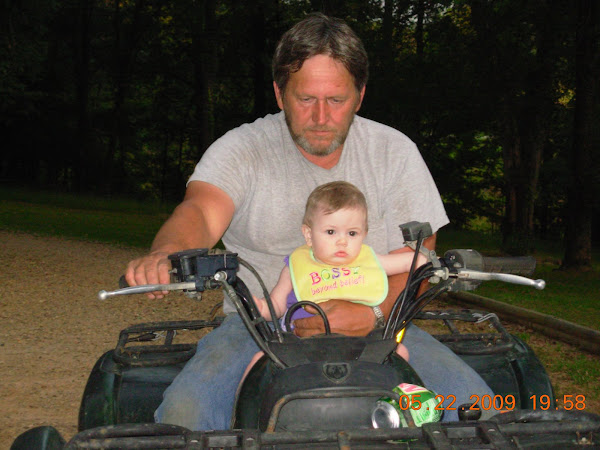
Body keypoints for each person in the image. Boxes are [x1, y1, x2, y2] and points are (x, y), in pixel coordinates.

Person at [125, 13, 495, 430]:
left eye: (336, 100)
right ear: (280, 94)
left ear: (360, 95)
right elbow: (199, 211)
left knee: (480, 410)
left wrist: (373, 315)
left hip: (385, 324)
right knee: (186, 415)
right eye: (305, 99)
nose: (321, 116)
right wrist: (166, 251)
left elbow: (416, 259)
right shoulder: (243, 149)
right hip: (257, 324)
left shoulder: (395, 152)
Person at [251, 181, 424, 360]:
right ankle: (247, 389)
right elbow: (277, 305)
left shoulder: (370, 261)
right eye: (331, 232)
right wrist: (261, 307)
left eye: (352, 233)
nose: (342, 241)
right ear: (309, 235)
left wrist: (425, 262)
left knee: (400, 353)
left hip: (361, 345)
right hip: (301, 343)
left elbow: (407, 263)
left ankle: (395, 389)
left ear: (364, 234)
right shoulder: (296, 266)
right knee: (260, 359)